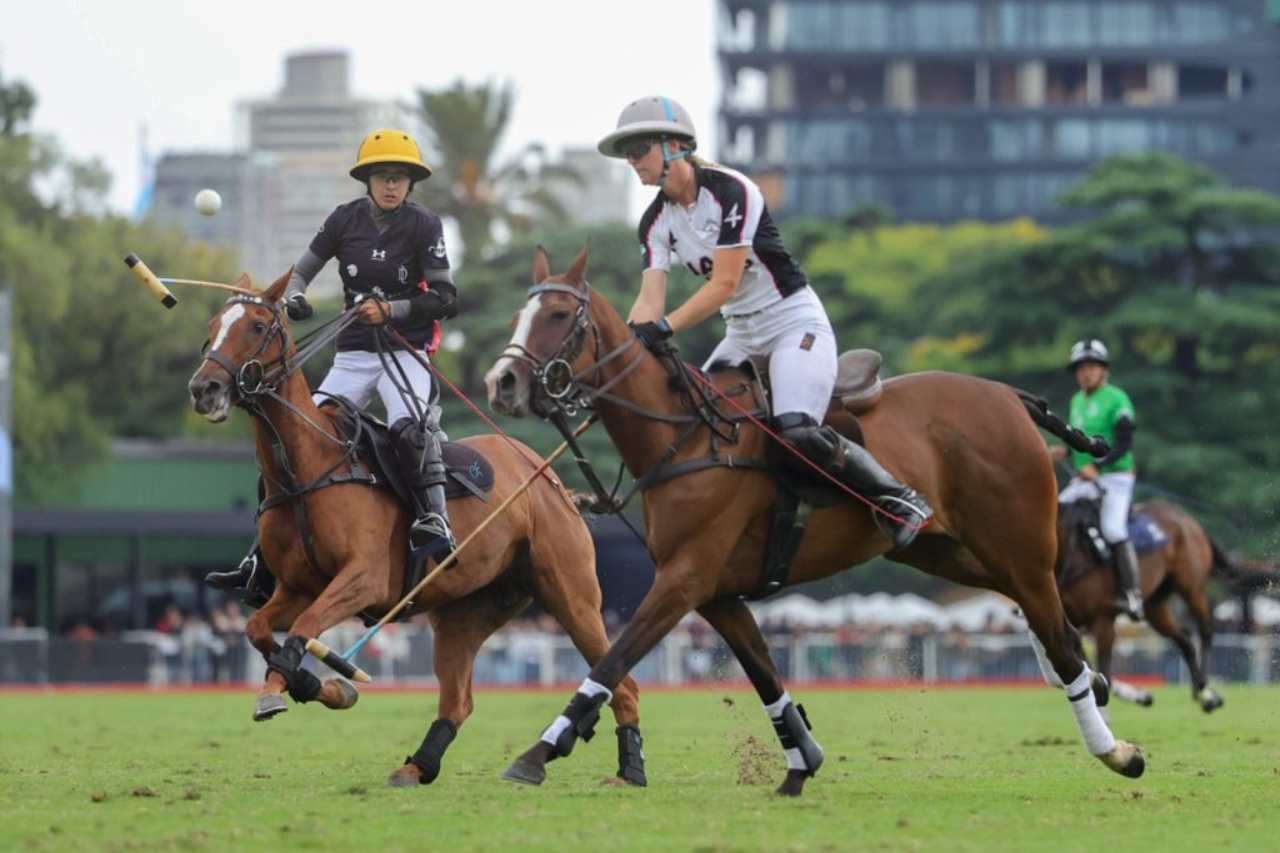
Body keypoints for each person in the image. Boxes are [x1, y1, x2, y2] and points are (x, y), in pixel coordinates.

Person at [598, 96, 932, 549]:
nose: (632, 161)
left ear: (674, 145)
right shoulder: (655, 220)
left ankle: (900, 499)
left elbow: (725, 285)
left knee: (794, 428)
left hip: (793, 322)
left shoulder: (733, 191)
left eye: (639, 149)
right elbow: (649, 298)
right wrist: (625, 352)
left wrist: (665, 329)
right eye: (628, 154)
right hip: (741, 333)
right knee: (695, 419)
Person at [205, 128, 460, 604]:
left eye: (400, 178)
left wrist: (392, 311)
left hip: (406, 353)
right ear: (367, 180)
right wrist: (297, 297)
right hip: (354, 353)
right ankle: (261, 555)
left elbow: (446, 299)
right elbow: (302, 271)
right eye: (383, 176)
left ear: (410, 184)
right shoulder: (343, 221)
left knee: (409, 428)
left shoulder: (425, 226)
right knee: (294, 437)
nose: (391, 185)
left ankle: (433, 518)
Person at [1054, 338, 1143, 620]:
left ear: (1103, 370)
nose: (1085, 372)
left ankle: (1132, 595)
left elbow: (1125, 443)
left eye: (1091, 366)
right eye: (1081, 367)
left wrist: (1097, 464)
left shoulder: (1117, 398)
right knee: (1050, 517)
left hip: (1115, 478)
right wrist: (1063, 450)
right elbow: (1080, 440)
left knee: (1113, 529)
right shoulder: (1076, 401)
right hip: (1085, 480)